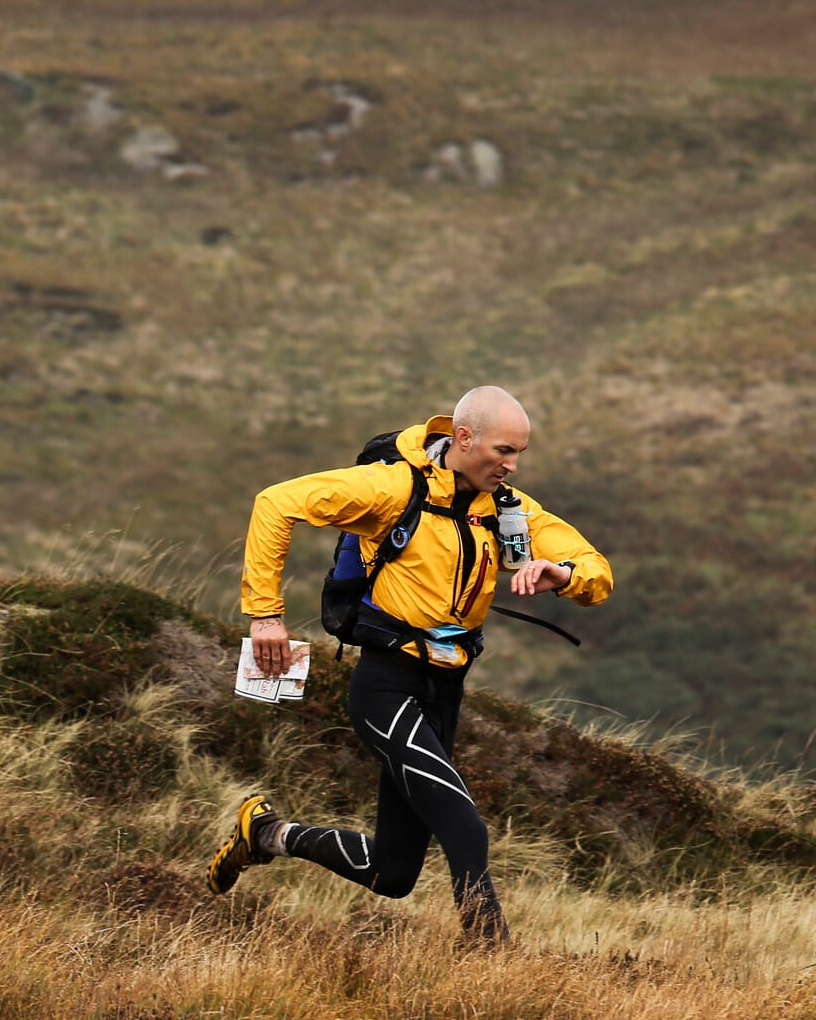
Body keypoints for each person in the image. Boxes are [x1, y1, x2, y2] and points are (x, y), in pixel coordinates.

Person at [205, 386, 613, 944]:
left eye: (519, 453)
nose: (512, 465)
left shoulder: (510, 509)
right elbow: (275, 503)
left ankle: (269, 834)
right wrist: (266, 617)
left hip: (446, 689)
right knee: (464, 828)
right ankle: (496, 968)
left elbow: (597, 572)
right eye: (502, 451)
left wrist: (563, 574)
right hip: (386, 686)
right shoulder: (394, 487)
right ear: (463, 438)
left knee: (392, 874)